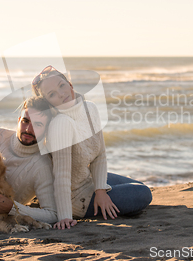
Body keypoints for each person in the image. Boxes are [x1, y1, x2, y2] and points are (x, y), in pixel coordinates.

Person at [32, 66, 152, 230]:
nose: (60, 93)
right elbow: (61, 176)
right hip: (75, 197)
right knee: (143, 195)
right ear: (48, 102)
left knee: (139, 186)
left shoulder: (90, 109)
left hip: (87, 179)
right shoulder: (61, 124)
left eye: (61, 85)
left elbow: (99, 155)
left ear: (70, 85)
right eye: (52, 94)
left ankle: (108, 201)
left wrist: (101, 191)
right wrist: (65, 217)